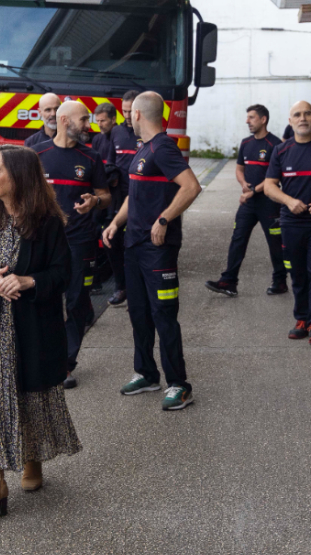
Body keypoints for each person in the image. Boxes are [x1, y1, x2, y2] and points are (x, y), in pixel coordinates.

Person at [0, 144, 82, 517]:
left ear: (18, 177)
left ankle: (32, 459)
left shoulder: (47, 222)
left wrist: (28, 282)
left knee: (31, 398)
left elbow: (62, 274)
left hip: (33, 329)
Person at [103, 91, 202, 411]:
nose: (127, 117)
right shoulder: (143, 149)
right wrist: (116, 224)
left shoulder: (163, 148)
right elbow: (135, 194)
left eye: (130, 112)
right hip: (134, 244)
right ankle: (147, 373)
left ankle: (179, 384)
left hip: (158, 250)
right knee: (139, 314)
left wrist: (164, 219)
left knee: (164, 316)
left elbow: (191, 186)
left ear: (138, 115)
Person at [32, 101, 111, 389]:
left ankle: (66, 364)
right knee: (44, 299)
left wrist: (95, 201)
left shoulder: (91, 157)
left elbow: (105, 194)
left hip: (80, 241)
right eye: (83, 120)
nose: (87, 125)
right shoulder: (36, 154)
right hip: (44, 242)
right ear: (65, 120)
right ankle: (41, 357)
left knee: (77, 301)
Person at [262, 101, 311, 345]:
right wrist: (288, 201)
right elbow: (269, 186)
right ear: (290, 121)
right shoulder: (281, 151)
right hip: (291, 222)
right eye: (297, 114)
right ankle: (301, 319)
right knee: (296, 272)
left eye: (307, 113)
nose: (302, 118)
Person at [204, 104, 287, 297]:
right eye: (247, 117)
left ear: (263, 119)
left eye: (251, 117)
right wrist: (244, 184)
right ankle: (229, 281)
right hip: (248, 204)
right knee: (238, 240)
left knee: (275, 243)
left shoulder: (276, 145)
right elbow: (239, 168)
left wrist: (253, 190)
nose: (247, 121)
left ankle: (280, 281)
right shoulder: (246, 143)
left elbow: (274, 177)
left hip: (269, 203)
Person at [107, 90, 144, 306]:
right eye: (124, 111)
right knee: (113, 241)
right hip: (119, 197)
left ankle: (137, 289)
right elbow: (110, 163)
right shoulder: (115, 133)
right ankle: (121, 287)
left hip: (140, 198)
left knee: (136, 245)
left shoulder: (146, 133)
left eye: (131, 111)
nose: (127, 115)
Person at [91, 101, 127, 306]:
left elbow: (115, 168)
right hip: (101, 193)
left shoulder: (118, 136)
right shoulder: (97, 139)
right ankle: (97, 278)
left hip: (118, 195)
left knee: (114, 240)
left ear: (114, 119)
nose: (99, 125)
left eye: (103, 121)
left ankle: (121, 284)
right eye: (97, 121)